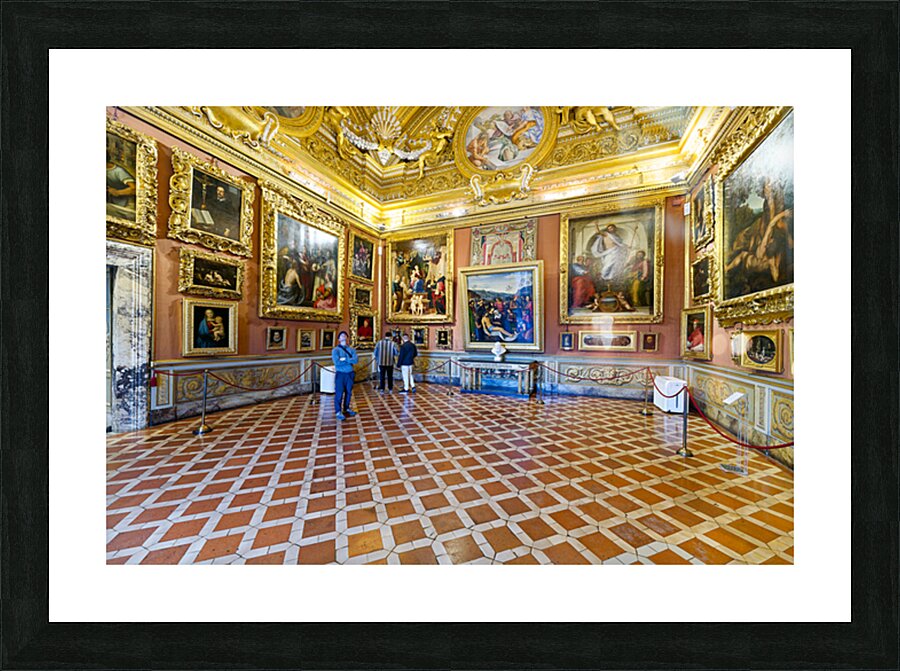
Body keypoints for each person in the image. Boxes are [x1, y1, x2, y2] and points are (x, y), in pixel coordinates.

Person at [331, 331, 358, 421]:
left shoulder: (352, 350)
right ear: (339, 339)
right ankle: (338, 411)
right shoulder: (336, 350)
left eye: (345, 336)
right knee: (339, 393)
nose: (344, 337)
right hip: (341, 374)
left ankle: (346, 408)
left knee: (349, 392)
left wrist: (344, 359)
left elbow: (355, 360)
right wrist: (349, 360)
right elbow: (337, 362)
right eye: (342, 336)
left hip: (350, 374)